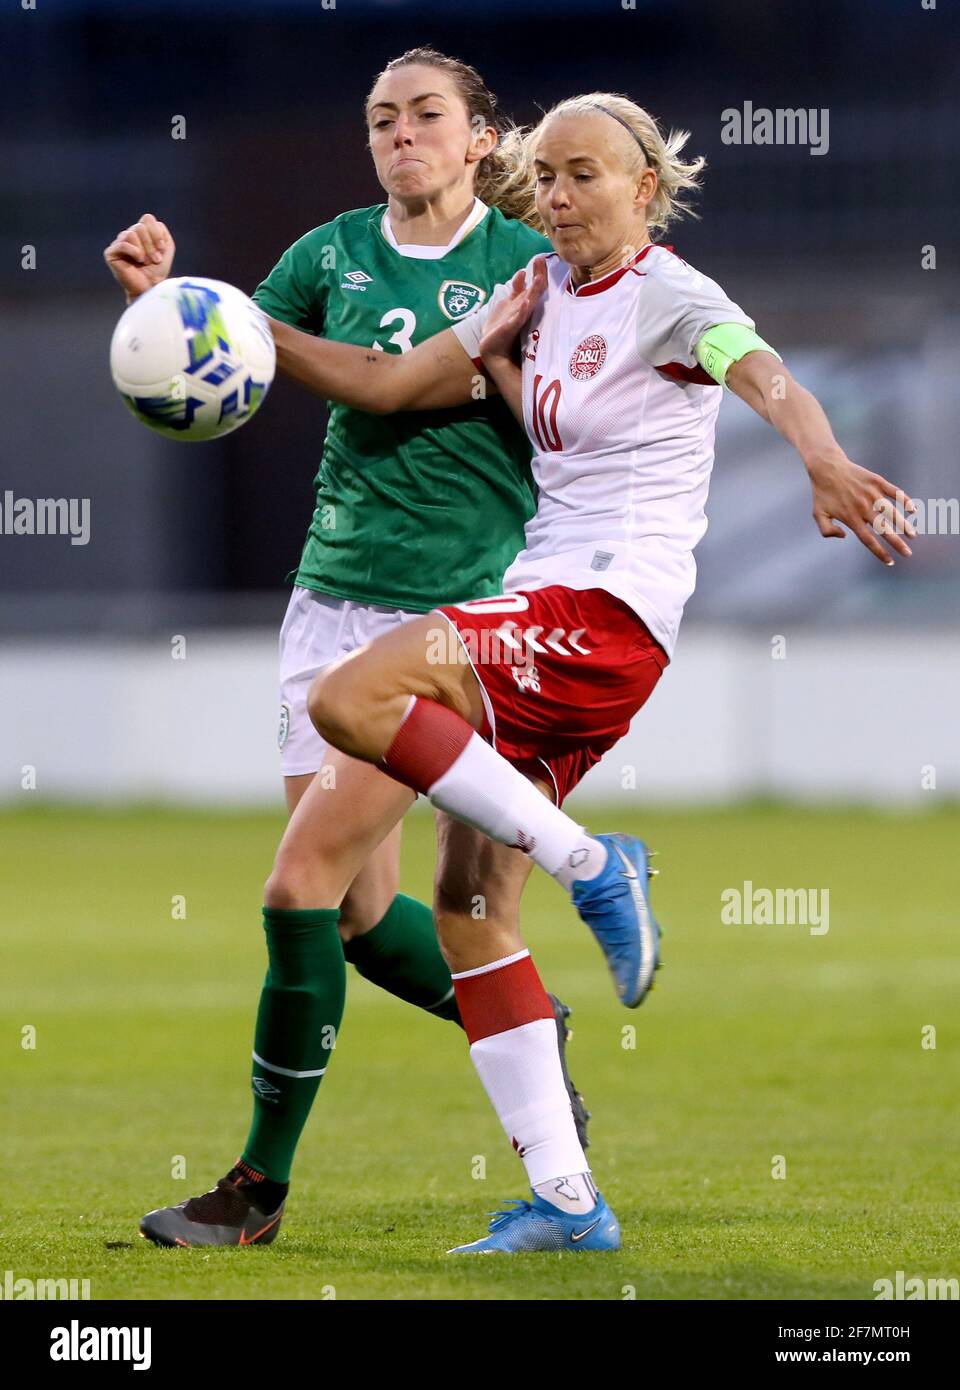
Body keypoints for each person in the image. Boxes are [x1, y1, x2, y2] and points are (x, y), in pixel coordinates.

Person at [259, 91, 915, 1252]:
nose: (559, 198)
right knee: (468, 912)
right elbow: (409, 390)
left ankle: (595, 863)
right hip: (559, 614)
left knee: (349, 696)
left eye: (587, 177)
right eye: (548, 178)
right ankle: (569, 1201)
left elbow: (765, 373)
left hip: (596, 609)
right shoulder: (540, 293)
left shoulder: (673, 296)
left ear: (645, 190)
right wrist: (484, 357)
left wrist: (824, 459)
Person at [104, 48, 594, 1251]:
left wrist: (233, 323)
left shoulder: (529, 269)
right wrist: (169, 318)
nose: (400, 135)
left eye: (427, 115)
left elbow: (384, 384)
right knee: (369, 920)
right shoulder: (328, 253)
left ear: (482, 137)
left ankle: (253, 1193)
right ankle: (525, 1017)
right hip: (325, 609)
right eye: (381, 118)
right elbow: (228, 370)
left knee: (297, 887)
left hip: (447, 625)